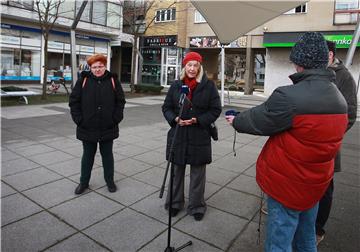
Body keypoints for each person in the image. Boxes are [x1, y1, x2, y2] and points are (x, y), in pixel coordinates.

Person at [225, 32, 348, 251]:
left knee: (279, 242)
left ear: (300, 62)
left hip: (288, 184)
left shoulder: (289, 96)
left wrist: (236, 121)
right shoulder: (338, 98)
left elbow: (258, 120)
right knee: (306, 237)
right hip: (315, 183)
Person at [162, 52, 221, 221]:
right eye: (189, 65)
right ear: (184, 66)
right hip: (178, 134)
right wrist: (174, 118)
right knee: (176, 172)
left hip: (199, 136)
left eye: (196, 65)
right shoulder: (176, 85)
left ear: (200, 67)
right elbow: (166, 107)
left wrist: (198, 120)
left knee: (197, 175)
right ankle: (174, 203)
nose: (192, 69)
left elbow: (215, 110)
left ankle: (196, 206)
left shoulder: (208, 86)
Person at [315, 40, 358, 245]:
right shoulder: (315, 72)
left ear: (330, 55)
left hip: (328, 143)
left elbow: (350, 114)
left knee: (325, 187)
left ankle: (318, 229)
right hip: (307, 141)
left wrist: (330, 134)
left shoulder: (344, 77)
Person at [69, 54, 126, 194]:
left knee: (107, 155)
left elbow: (120, 101)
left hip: (108, 126)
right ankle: (83, 182)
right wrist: (79, 120)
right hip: (87, 127)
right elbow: (74, 101)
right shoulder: (84, 80)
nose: (97, 69)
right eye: (94, 67)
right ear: (90, 68)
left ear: (105, 66)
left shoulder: (112, 80)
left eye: (100, 66)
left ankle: (110, 181)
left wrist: (116, 118)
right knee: (87, 156)